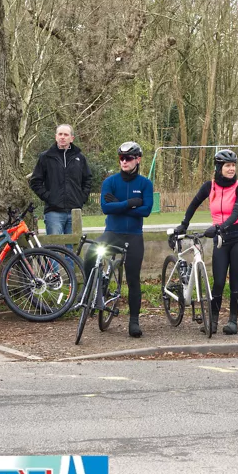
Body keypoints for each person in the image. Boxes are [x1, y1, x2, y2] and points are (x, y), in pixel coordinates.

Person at [173, 149, 238, 335]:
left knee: (235, 282)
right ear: (218, 167)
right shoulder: (210, 186)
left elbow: (236, 212)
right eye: (227, 166)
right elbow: (193, 205)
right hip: (221, 239)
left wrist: (219, 227)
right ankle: (213, 322)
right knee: (218, 281)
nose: (231, 169)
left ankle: (232, 322)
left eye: (233, 165)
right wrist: (184, 224)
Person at [100, 141, 153, 338]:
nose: (124, 161)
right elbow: (106, 208)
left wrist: (119, 205)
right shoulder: (110, 182)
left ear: (137, 160)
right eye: (121, 158)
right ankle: (94, 293)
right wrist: (130, 203)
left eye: (128, 158)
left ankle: (134, 321)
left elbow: (146, 210)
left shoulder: (145, 184)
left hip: (134, 236)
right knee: (90, 254)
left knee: (133, 279)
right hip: (112, 233)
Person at [29, 124, 93, 237]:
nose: (62, 137)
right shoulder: (45, 157)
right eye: (60, 134)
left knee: (73, 250)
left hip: (75, 212)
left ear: (71, 138)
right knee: (54, 250)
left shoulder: (80, 157)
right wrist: (49, 197)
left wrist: (81, 198)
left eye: (66, 134)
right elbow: (35, 181)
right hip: (53, 212)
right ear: (56, 136)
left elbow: (87, 179)